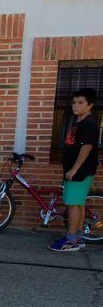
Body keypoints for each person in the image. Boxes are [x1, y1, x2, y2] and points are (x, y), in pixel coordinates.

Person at [49, 88, 99, 252]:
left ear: (90, 105)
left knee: (72, 204)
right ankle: (77, 237)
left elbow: (87, 148)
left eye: (80, 103)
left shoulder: (89, 124)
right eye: (74, 102)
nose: (75, 106)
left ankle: (70, 241)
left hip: (80, 172)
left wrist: (74, 170)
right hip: (76, 171)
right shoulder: (79, 122)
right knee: (78, 204)